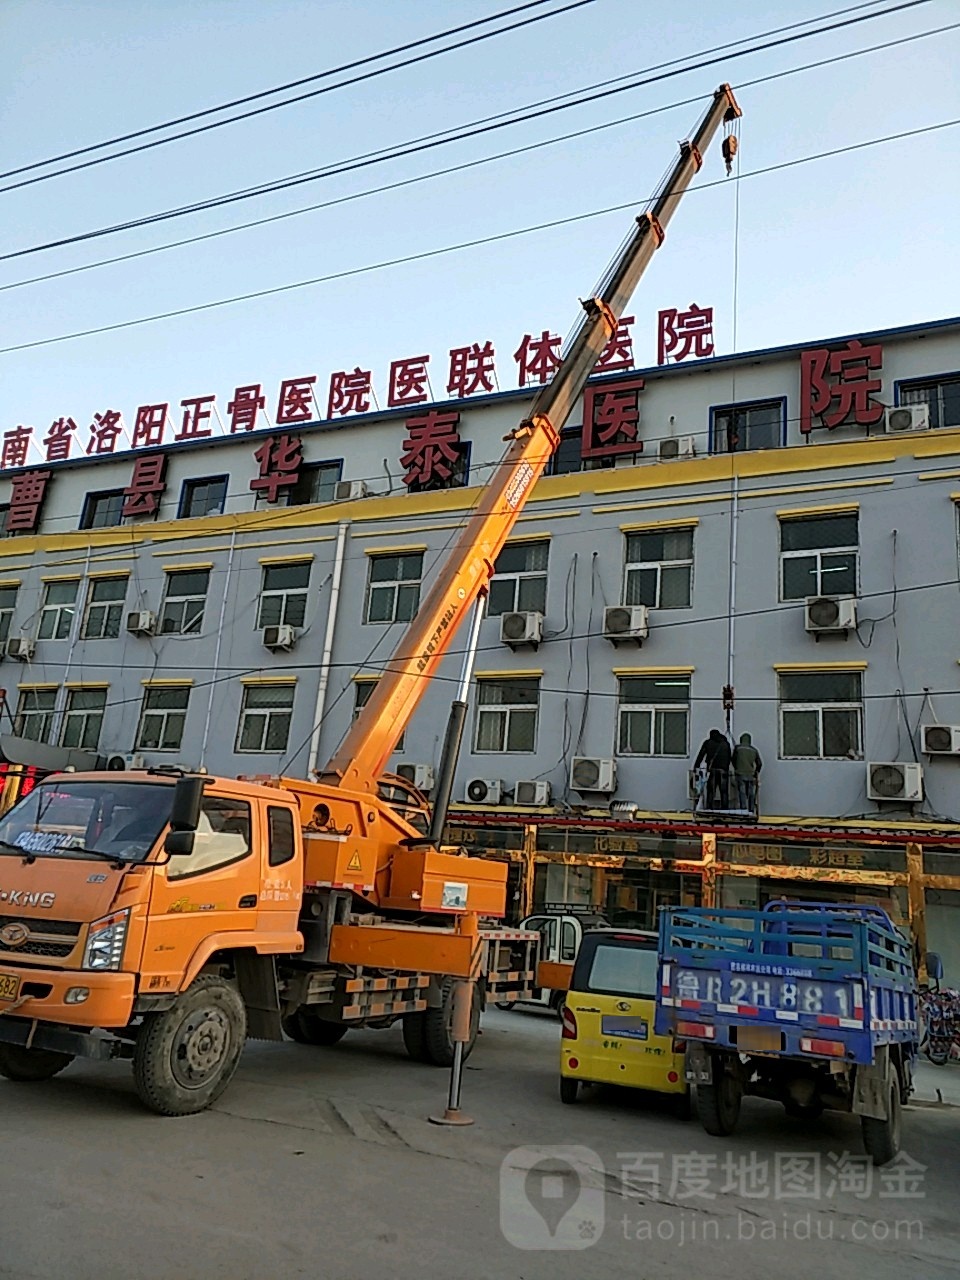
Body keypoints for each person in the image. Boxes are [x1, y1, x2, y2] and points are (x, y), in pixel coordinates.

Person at [694, 729, 731, 810]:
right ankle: (725, 809)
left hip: (712, 770)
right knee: (724, 791)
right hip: (723, 770)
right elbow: (729, 758)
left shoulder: (708, 743)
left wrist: (696, 767)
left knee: (711, 791)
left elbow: (701, 755)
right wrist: (726, 769)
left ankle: (709, 808)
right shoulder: (725, 744)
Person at [732, 732, 762, 814]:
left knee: (742, 792)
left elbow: (733, 760)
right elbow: (759, 763)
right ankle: (751, 810)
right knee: (751, 793)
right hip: (750, 774)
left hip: (740, 773)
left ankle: (743, 810)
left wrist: (736, 768)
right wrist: (756, 772)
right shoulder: (754, 750)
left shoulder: (738, 748)